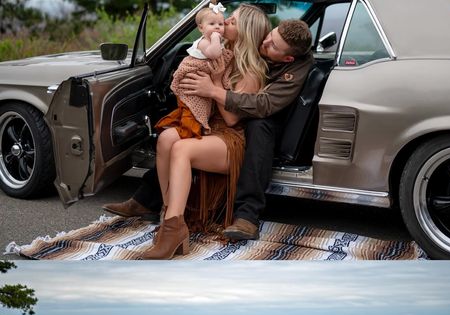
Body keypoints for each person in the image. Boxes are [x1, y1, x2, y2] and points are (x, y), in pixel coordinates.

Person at [103, 16, 314, 243]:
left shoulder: (294, 67)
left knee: (259, 127)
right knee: (167, 138)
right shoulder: (229, 49)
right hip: (229, 113)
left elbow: (263, 106)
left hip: (262, 117)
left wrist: (212, 90)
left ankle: (247, 215)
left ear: (288, 58)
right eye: (269, 36)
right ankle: (153, 205)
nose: (265, 43)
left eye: (273, 46)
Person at [141, 3, 271, 259]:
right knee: (166, 137)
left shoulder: (251, 70)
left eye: (231, 22)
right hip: (211, 128)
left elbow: (233, 119)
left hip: (231, 138)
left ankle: (173, 229)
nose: (222, 24)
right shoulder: (220, 53)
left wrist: (212, 84)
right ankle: (169, 216)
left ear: (244, 30)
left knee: (182, 149)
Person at [155, 3, 233, 139]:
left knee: (190, 111)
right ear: (201, 28)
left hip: (203, 81)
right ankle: (188, 132)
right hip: (192, 76)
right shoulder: (203, 42)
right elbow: (214, 54)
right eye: (212, 24)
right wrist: (216, 39)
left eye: (221, 24)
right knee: (192, 110)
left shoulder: (214, 42)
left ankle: (173, 123)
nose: (217, 27)